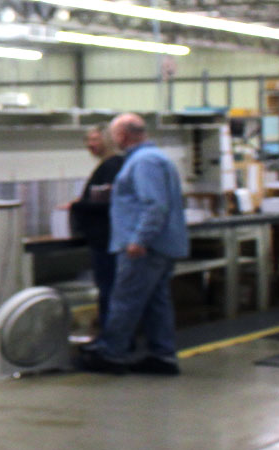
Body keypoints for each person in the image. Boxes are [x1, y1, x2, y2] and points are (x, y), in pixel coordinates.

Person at [79, 113, 189, 376]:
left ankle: (112, 353)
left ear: (122, 136)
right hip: (160, 245)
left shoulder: (143, 162)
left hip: (144, 248)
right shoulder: (154, 158)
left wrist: (139, 239)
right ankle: (162, 355)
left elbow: (154, 205)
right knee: (155, 302)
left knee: (125, 299)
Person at [68, 125, 124, 332]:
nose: (90, 145)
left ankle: (112, 337)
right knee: (107, 288)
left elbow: (109, 203)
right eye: (88, 140)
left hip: (107, 239)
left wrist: (78, 205)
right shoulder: (107, 166)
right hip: (103, 239)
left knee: (109, 288)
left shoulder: (112, 166)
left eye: (95, 139)